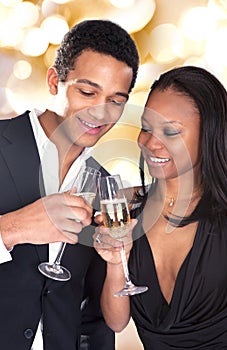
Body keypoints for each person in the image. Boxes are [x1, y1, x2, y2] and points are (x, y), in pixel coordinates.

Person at [0, 19, 139, 350]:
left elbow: (105, 319)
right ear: (53, 81)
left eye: (116, 100)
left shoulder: (106, 187)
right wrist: (12, 229)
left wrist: (117, 262)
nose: (101, 111)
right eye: (88, 91)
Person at [94, 66, 227, 349]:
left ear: (209, 133)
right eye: (146, 128)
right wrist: (114, 263)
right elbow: (117, 322)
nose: (150, 143)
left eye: (170, 132)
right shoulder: (124, 205)